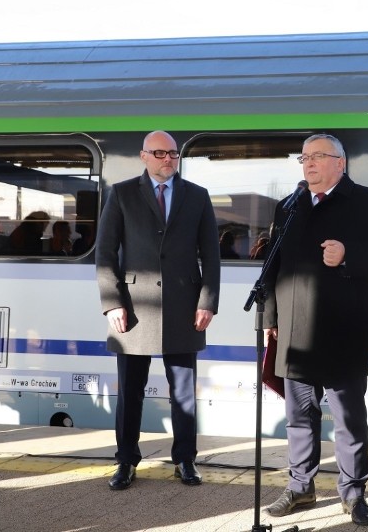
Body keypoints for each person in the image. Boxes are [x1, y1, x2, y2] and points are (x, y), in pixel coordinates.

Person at [261, 133, 368, 526]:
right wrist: (271, 317)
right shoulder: (288, 206)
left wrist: (347, 255)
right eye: (304, 157)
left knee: (348, 420)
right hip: (293, 330)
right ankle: (300, 487)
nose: (308, 163)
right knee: (299, 417)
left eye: (317, 156)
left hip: (344, 328)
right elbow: (272, 267)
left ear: (341, 162)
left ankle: (353, 494)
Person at [95, 130, 220, 491]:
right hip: (132, 309)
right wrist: (112, 303)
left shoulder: (197, 196)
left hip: (185, 308)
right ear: (144, 156)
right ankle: (126, 461)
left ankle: (185, 459)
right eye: (160, 153)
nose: (168, 159)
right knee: (130, 390)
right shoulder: (121, 194)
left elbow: (210, 255)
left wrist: (207, 301)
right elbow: (105, 256)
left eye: (174, 154)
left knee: (183, 391)